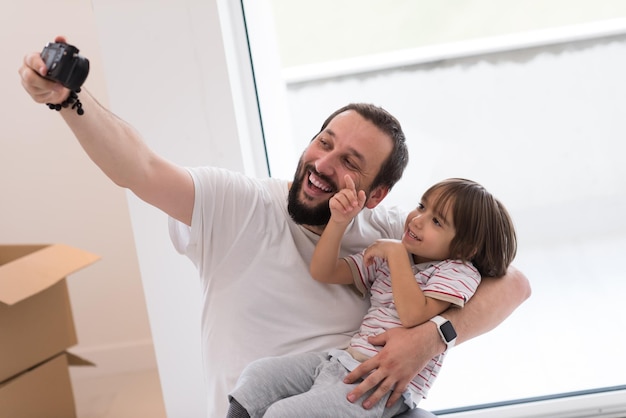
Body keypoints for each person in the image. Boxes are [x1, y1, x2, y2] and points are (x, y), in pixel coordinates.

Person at [18, 36, 531, 418]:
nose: (325, 163)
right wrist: (68, 100)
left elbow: (514, 284)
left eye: (350, 161)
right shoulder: (238, 205)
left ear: (377, 194)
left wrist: (431, 339)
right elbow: (141, 169)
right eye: (324, 141)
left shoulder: (399, 233)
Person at [228, 177, 517, 417]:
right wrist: (338, 223)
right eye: (421, 206)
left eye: (437, 221)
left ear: (464, 248)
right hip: (341, 361)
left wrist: (396, 254)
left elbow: (414, 315)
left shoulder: (458, 270)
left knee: (286, 414)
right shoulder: (392, 258)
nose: (417, 220)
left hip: (382, 387)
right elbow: (324, 271)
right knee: (259, 377)